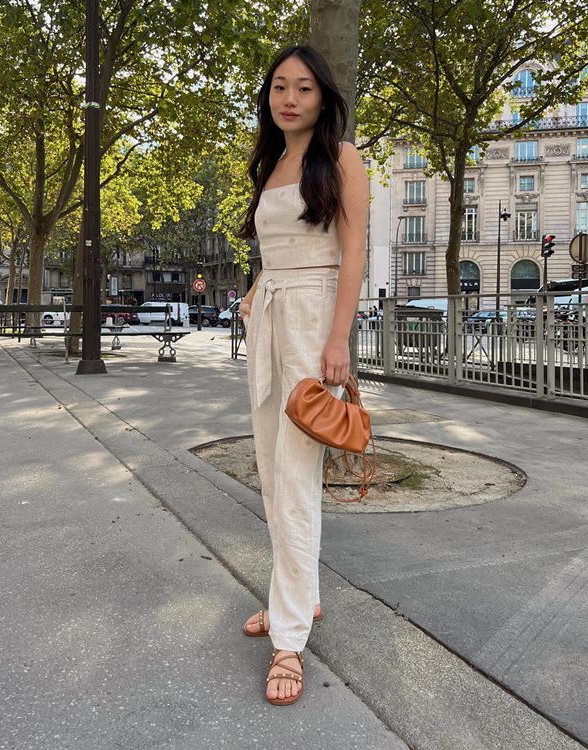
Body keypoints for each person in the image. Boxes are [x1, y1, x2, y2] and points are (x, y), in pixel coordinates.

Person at [237, 44, 368, 706]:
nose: (289, 98)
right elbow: (276, 245)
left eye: (304, 88)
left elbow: (351, 252)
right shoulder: (272, 164)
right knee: (269, 468)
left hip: (315, 323)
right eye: (279, 87)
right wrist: (256, 286)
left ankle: (288, 639)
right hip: (270, 319)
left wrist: (339, 340)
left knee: (296, 479)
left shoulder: (341, 159)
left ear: (323, 98)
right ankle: (295, 595)